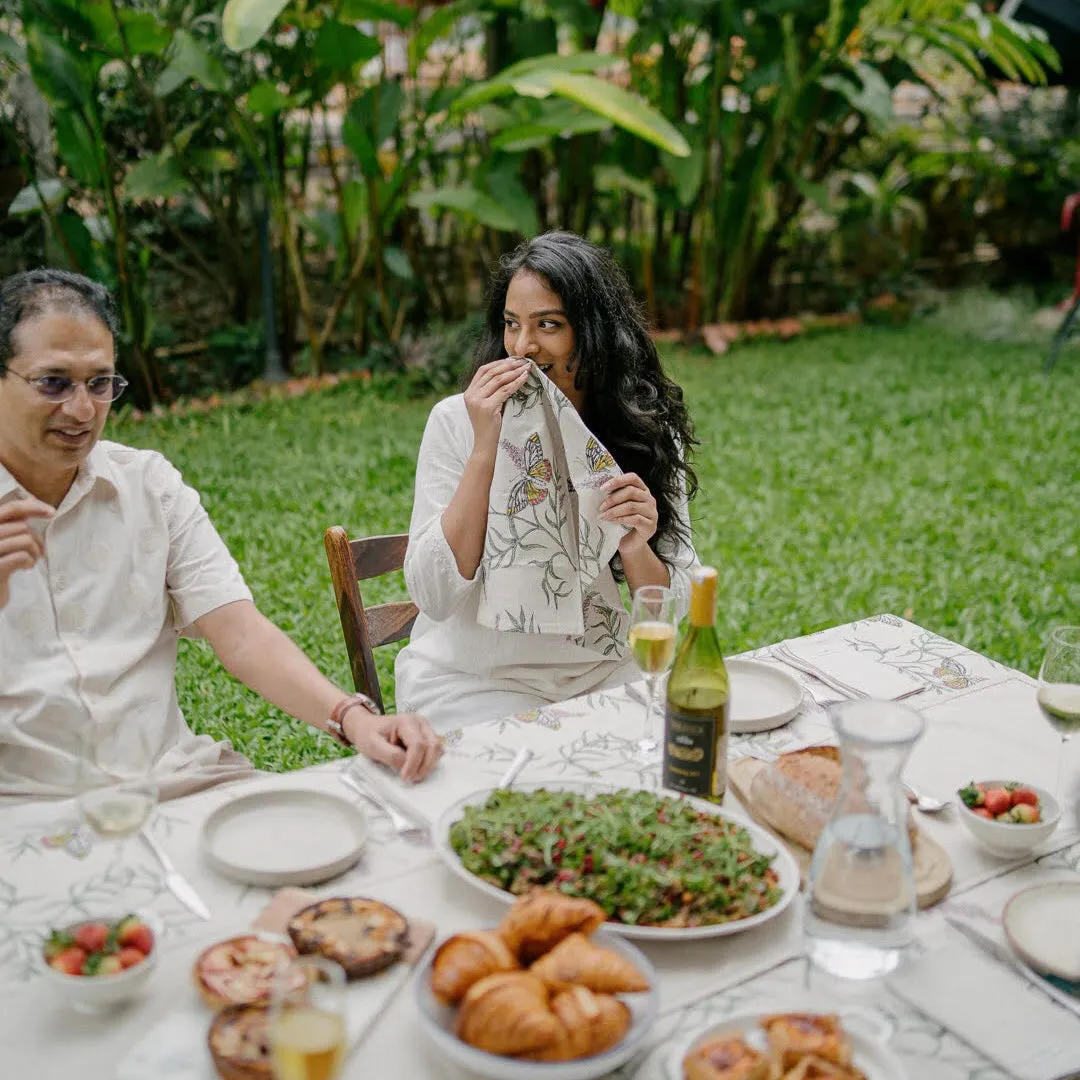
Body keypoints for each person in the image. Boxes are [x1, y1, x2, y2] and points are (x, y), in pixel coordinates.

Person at [0, 268, 442, 802]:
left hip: (169, 778)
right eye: (54, 383)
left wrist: (354, 719)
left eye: (100, 384)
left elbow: (239, 633)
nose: (81, 409)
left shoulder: (149, 487)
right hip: (26, 805)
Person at [395, 231, 699, 728]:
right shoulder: (457, 422)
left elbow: (671, 604)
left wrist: (637, 545)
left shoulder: (643, 429)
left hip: (602, 671)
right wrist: (484, 449)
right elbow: (433, 595)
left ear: (596, 332)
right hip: (474, 680)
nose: (522, 347)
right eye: (511, 324)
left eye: (549, 325)